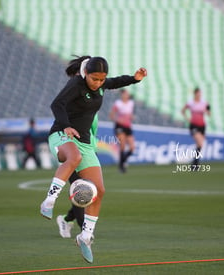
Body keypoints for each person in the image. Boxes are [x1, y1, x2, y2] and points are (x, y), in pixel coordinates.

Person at [39, 55, 147, 263]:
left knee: (99, 190)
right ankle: (49, 200)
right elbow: (57, 105)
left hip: (85, 142)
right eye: (95, 79)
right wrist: (66, 125)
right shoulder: (76, 84)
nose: (98, 83)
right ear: (86, 73)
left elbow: (116, 82)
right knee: (73, 157)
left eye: (101, 79)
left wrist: (135, 78)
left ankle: (85, 237)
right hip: (62, 134)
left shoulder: (102, 82)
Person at [57, 114, 99, 238]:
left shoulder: (93, 110)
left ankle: (66, 219)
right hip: (73, 155)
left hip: (88, 154)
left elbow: (92, 133)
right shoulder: (70, 110)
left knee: (90, 192)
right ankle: (84, 231)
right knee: (80, 191)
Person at [181, 87, 210, 166]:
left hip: (202, 126)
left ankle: (195, 164)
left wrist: (207, 110)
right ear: (195, 94)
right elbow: (183, 110)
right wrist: (188, 119)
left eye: (200, 93)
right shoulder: (191, 103)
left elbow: (209, 113)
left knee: (199, 145)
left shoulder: (204, 103)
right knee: (200, 143)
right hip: (194, 125)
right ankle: (195, 163)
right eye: (198, 93)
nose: (200, 95)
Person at [109, 89, 135, 173]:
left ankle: (122, 162)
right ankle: (121, 167)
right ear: (122, 95)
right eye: (124, 94)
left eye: (127, 94)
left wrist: (131, 117)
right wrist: (119, 120)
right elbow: (111, 115)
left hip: (128, 126)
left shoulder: (131, 103)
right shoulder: (118, 103)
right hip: (120, 126)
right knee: (122, 145)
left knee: (132, 148)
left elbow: (130, 114)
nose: (126, 95)